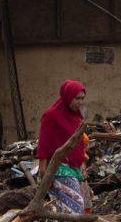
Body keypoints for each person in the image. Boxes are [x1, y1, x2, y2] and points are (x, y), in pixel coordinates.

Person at [36, 80, 88, 214]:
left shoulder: (77, 117)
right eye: (77, 98)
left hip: (75, 169)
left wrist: (82, 164)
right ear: (67, 96)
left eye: (82, 99)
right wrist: (44, 174)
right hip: (59, 169)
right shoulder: (51, 116)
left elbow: (78, 145)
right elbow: (43, 145)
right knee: (75, 207)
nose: (80, 102)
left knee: (82, 207)